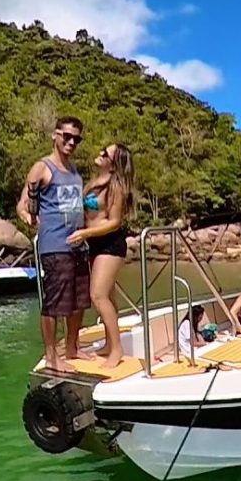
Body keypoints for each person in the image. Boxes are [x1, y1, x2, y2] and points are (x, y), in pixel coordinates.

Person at [16, 115, 90, 373]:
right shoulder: (42, 167)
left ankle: (72, 347)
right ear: (55, 135)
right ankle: (51, 356)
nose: (71, 143)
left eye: (76, 139)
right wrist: (28, 217)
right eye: (67, 137)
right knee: (55, 302)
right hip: (55, 245)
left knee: (79, 300)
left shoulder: (74, 171)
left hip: (78, 244)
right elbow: (23, 204)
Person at [65, 144, 136, 369]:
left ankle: (117, 350)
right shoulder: (95, 182)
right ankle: (109, 343)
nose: (100, 153)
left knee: (98, 295)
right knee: (109, 297)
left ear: (113, 165)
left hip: (110, 244)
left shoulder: (116, 187)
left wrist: (84, 233)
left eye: (106, 154)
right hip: (94, 243)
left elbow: (114, 222)